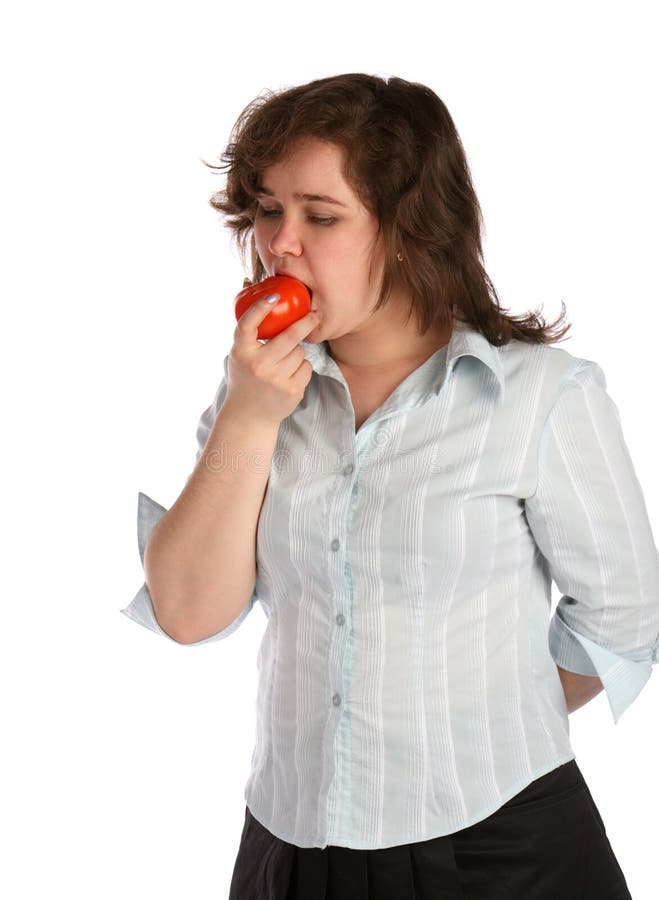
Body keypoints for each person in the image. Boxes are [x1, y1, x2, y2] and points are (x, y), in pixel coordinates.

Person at [121, 73, 658, 899]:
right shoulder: (254, 391)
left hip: (502, 848)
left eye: (320, 216)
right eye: (268, 210)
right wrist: (250, 419)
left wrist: (476, 719)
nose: (280, 245)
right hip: (289, 850)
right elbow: (188, 613)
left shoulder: (542, 397)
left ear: (409, 230)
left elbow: (623, 620)